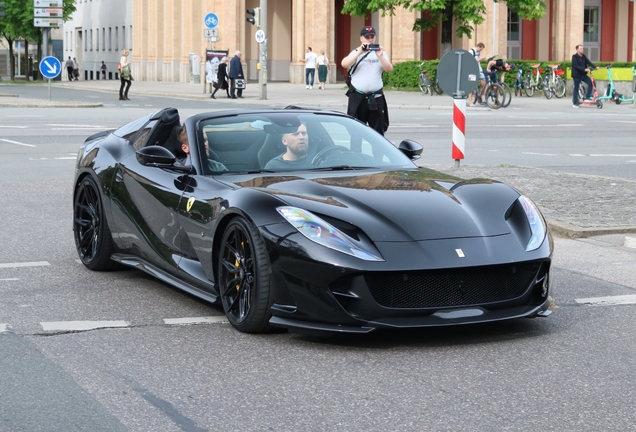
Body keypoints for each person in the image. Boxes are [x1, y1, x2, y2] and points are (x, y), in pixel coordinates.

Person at [341, 26, 393, 136]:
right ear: (361, 39)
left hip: (376, 97)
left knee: (378, 132)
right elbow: (344, 64)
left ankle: (377, 153)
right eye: (367, 37)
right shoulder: (356, 52)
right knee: (355, 132)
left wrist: (380, 57)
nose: (370, 39)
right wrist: (360, 51)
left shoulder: (381, 53)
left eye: (372, 37)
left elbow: (389, 69)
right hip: (358, 97)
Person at [571, 44, 598, 108]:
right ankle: (575, 103)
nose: (582, 49)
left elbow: (588, 62)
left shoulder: (583, 56)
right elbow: (576, 66)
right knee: (576, 89)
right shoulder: (574, 57)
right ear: (577, 50)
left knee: (591, 82)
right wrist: (584, 69)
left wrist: (595, 67)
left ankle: (587, 96)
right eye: (580, 49)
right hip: (577, 75)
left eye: (582, 48)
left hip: (583, 74)